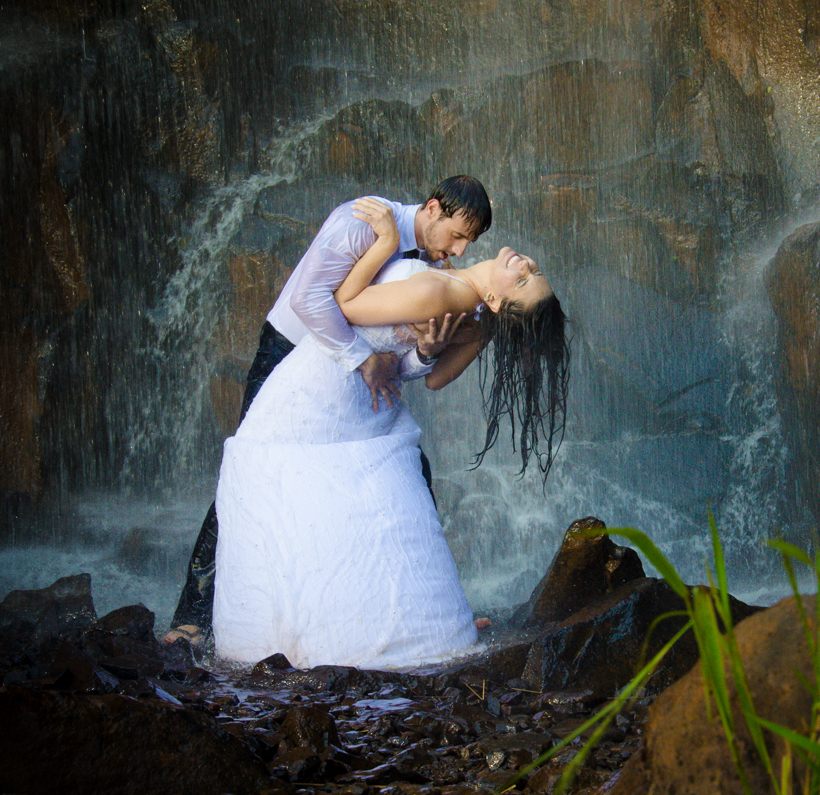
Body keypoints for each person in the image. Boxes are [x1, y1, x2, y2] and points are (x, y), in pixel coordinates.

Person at [212, 198, 569, 669]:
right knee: (356, 509)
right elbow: (436, 377)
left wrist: (383, 244)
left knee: (315, 505)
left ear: (501, 302)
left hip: (327, 391)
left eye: (522, 279)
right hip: (360, 396)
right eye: (532, 268)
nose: (523, 263)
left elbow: (346, 304)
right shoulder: (478, 316)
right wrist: (425, 350)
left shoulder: (445, 295)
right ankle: (360, 633)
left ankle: (304, 636)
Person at [166, 176, 492, 645]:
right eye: (458, 235)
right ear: (433, 208)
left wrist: (424, 351)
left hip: (355, 373)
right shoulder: (360, 223)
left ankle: (436, 614)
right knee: (250, 471)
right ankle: (192, 618)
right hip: (292, 354)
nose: (460, 250)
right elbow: (308, 299)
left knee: (407, 464)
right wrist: (364, 357)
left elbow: (397, 363)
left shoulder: (428, 263)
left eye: (470, 242)